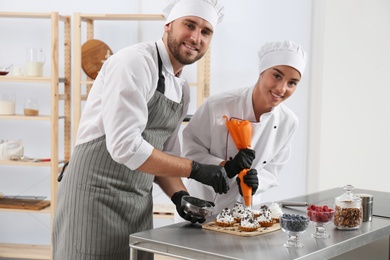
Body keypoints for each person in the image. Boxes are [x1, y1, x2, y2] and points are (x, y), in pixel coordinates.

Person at [52, 1, 239, 259]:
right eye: (190, 25)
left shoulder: (182, 89)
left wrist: (180, 195)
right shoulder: (134, 63)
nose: (196, 37)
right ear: (168, 25)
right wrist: (196, 170)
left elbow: (165, 156)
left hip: (137, 203)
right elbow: (125, 146)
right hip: (92, 198)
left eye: (206, 32)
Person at [176, 40, 307, 218]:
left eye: (292, 83)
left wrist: (257, 181)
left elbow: (273, 169)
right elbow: (189, 150)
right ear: (261, 71)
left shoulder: (288, 122)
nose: (281, 88)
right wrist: (224, 166)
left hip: (245, 214)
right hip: (201, 209)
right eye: (276, 76)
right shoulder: (219, 104)